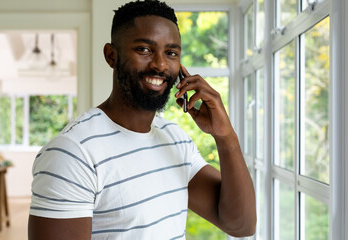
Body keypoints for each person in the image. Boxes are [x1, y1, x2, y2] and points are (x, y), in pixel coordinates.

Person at [28, 0, 256, 239]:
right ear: (111, 56)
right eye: (144, 50)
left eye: (171, 53)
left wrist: (225, 136)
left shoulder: (175, 139)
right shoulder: (73, 152)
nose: (159, 64)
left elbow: (241, 225)